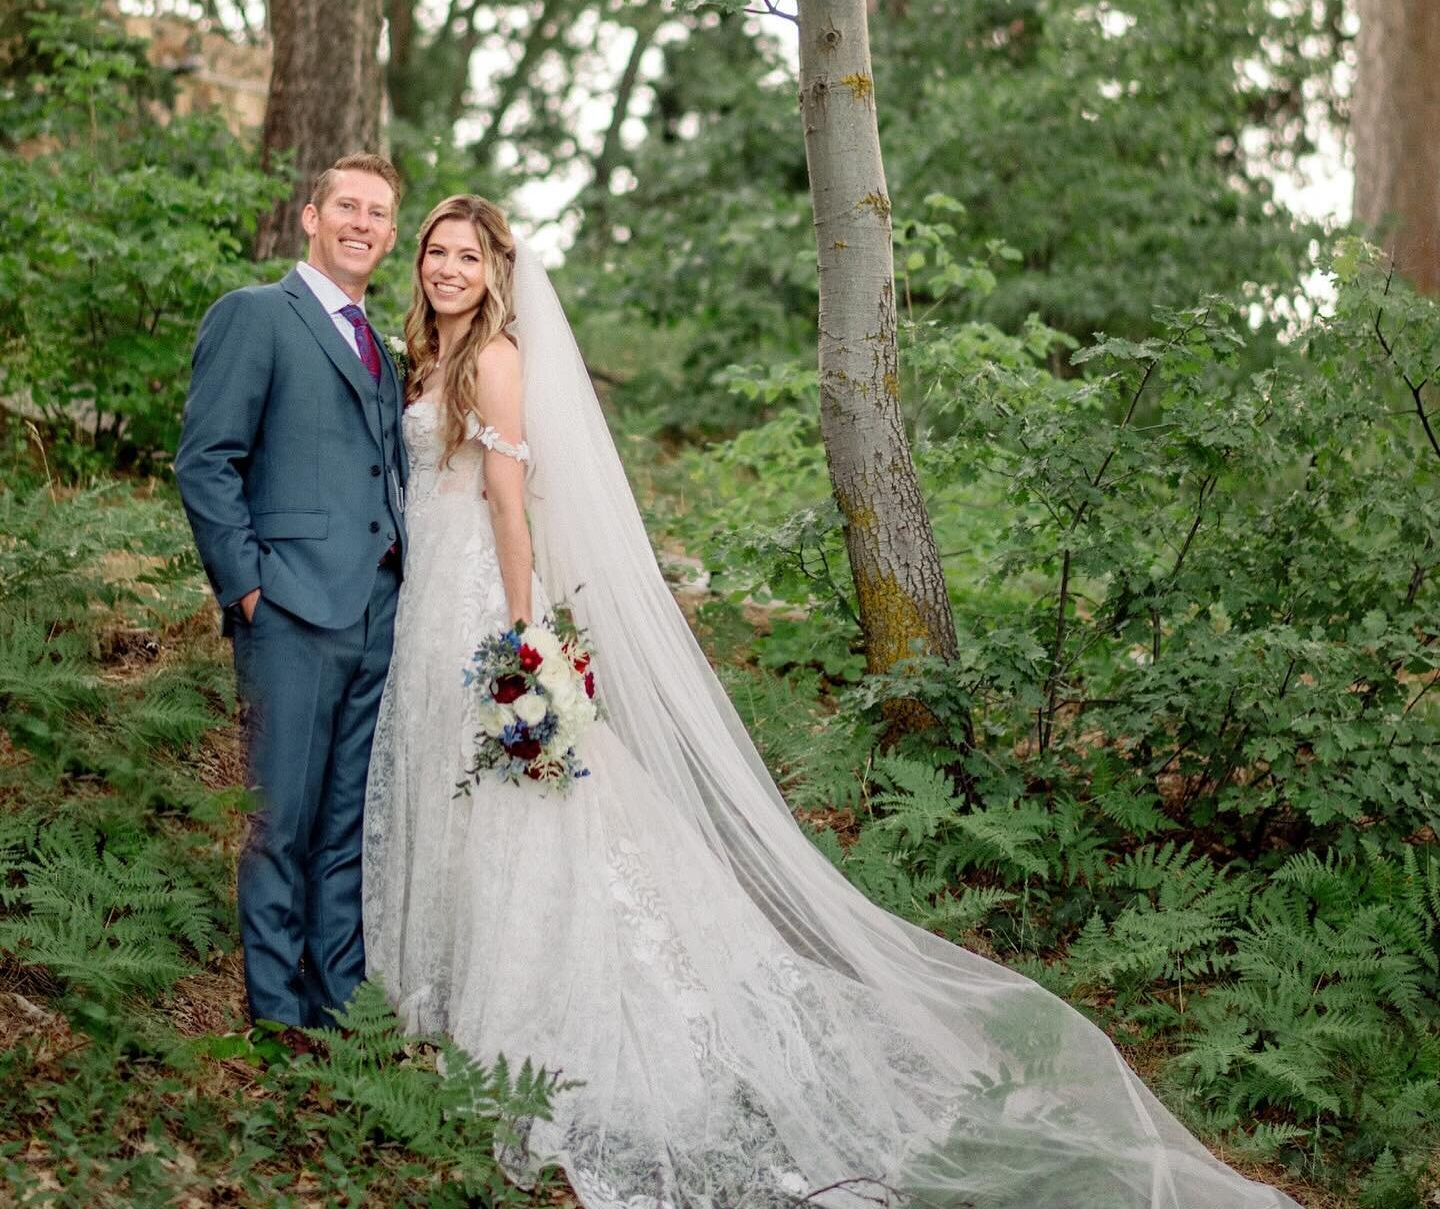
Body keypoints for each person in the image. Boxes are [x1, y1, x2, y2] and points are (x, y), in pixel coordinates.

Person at [364, 193, 1299, 1209]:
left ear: (496, 272)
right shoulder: (427, 361)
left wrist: (521, 637)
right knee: (460, 793)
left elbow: (510, 504)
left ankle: (540, 1022)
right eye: (435, 253)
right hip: (426, 612)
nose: (446, 268)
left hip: (487, 615)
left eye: (465, 255)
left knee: (525, 809)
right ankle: (452, 999)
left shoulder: (496, 360)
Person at [177, 154, 408, 1036]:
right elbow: (208, 460)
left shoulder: (380, 347)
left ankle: (340, 1005)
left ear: (390, 235)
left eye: (378, 212)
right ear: (311, 218)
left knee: (346, 823)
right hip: (288, 613)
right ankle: (278, 1014)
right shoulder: (256, 316)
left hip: (377, 612)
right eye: (346, 205)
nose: (361, 222)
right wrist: (247, 591)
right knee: (279, 818)